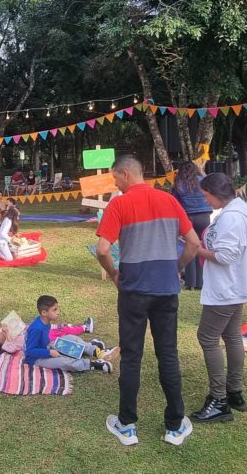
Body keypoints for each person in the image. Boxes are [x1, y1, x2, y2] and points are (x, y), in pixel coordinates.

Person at [95, 154, 202, 446]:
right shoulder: (169, 201)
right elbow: (194, 243)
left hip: (133, 290)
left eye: (116, 178)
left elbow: (103, 249)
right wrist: (177, 267)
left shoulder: (120, 203)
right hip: (166, 290)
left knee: (132, 356)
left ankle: (127, 425)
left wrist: (114, 274)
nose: (115, 184)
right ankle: (175, 425)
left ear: (126, 175)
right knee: (168, 355)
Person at [190, 173, 247, 423]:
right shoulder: (237, 212)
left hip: (227, 288)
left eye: (206, 195)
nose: (205, 200)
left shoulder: (231, 218)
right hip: (236, 285)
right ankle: (234, 392)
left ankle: (219, 399)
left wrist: (196, 250)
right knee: (231, 336)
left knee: (207, 337)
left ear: (216, 193)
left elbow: (225, 256)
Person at [22, 295, 113, 373]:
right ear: (44, 313)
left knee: (71, 338)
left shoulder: (46, 322)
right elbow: (30, 351)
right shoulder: (36, 328)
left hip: (47, 346)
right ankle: (94, 364)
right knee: (64, 362)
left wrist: (52, 348)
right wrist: (49, 352)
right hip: (35, 359)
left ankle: (95, 351)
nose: (58, 312)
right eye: (54, 310)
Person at [0, 313, 104, 356]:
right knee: (63, 339)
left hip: (39, 334)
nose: (1, 331)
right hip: (40, 341)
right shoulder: (6, 346)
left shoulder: (11, 334)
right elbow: (11, 347)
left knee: (63, 330)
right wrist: (7, 332)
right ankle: (89, 343)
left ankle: (85, 329)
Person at [170, 161, 210, 290]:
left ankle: (190, 282)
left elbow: (174, 202)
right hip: (204, 217)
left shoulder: (179, 183)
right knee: (201, 246)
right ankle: (201, 281)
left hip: (188, 217)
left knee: (190, 246)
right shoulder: (204, 180)